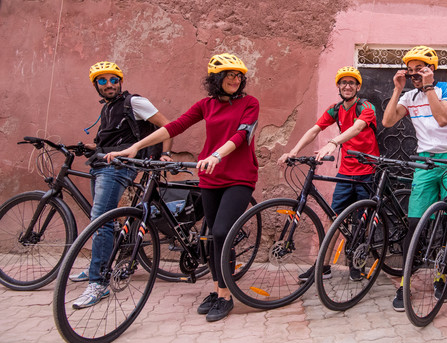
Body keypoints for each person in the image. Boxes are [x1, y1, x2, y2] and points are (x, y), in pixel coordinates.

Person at [107, 53, 259, 322]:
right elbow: (174, 126)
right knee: (212, 236)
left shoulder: (250, 103)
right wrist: (134, 147)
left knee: (223, 232)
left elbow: (242, 134)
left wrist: (216, 155)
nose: (235, 80)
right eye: (229, 75)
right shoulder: (206, 105)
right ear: (216, 79)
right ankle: (217, 290)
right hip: (210, 178)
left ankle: (227, 296)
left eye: (239, 76)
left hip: (239, 176)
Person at [70, 61, 173, 309]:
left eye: (113, 80)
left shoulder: (134, 102)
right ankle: (101, 263)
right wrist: (87, 147)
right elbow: (114, 140)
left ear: (120, 82)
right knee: (102, 220)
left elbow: (167, 126)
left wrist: (165, 155)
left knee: (102, 220)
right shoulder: (108, 109)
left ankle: (98, 282)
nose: (109, 85)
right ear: (96, 85)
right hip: (103, 164)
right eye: (103, 81)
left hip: (120, 167)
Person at [278, 66, 380, 282]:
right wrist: (294, 151)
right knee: (333, 219)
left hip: (367, 172)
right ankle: (323, 266)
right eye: (343, 82)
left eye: (352, 82)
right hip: (345, 173)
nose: (347, 86)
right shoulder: (335, 109)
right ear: (339, 86)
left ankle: (356, 261)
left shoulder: (366, 107)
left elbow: (357, 127)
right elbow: (315, 129)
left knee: (361, 221)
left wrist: (333, 142)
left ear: (358, 86)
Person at [382, 45, 447, 312]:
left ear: (432, 69)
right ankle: (405, 282)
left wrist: (428, 88)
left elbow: (442, 119)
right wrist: (397, 89)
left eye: (421, 69)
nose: (415, 74)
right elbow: (387, 122)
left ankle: (441, 278)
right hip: (425, 161)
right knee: (415, 223)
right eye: (412, 70)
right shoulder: (409, 96)